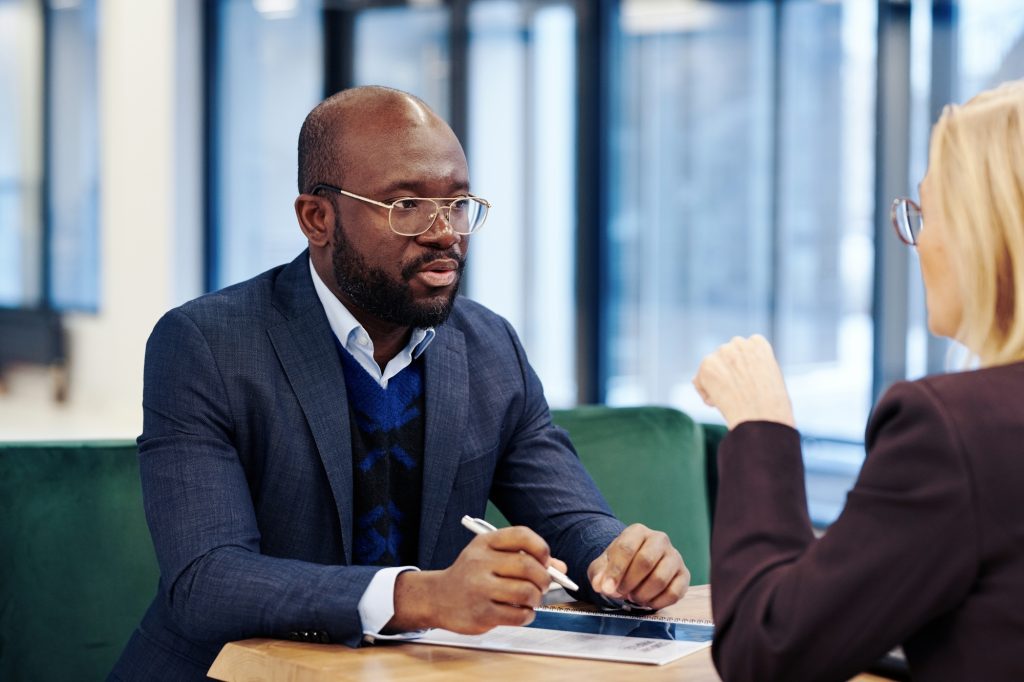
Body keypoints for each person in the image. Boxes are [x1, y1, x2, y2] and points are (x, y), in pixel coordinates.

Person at [110, 86, 689, 680]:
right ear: (317, 218)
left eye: (458, 203)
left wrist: (621, 560)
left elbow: (569, 520)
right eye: (407, 204)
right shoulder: (207, 344)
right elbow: (206, 579)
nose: (445, 233)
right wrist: (421, 597)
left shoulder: (490, 346)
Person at [693, 81, 1024, 681]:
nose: (918, 243)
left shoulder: (954, 431)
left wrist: (760, 425)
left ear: (985, 232)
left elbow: (764, 652)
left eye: (926, 214)